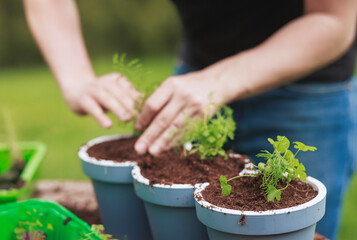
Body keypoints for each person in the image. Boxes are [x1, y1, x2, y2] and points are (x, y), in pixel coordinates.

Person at [23, 0, 357, 239]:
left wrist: (218, 81)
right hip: (196, 75)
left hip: (305, 88)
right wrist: (76, 77)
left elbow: (333, 19)